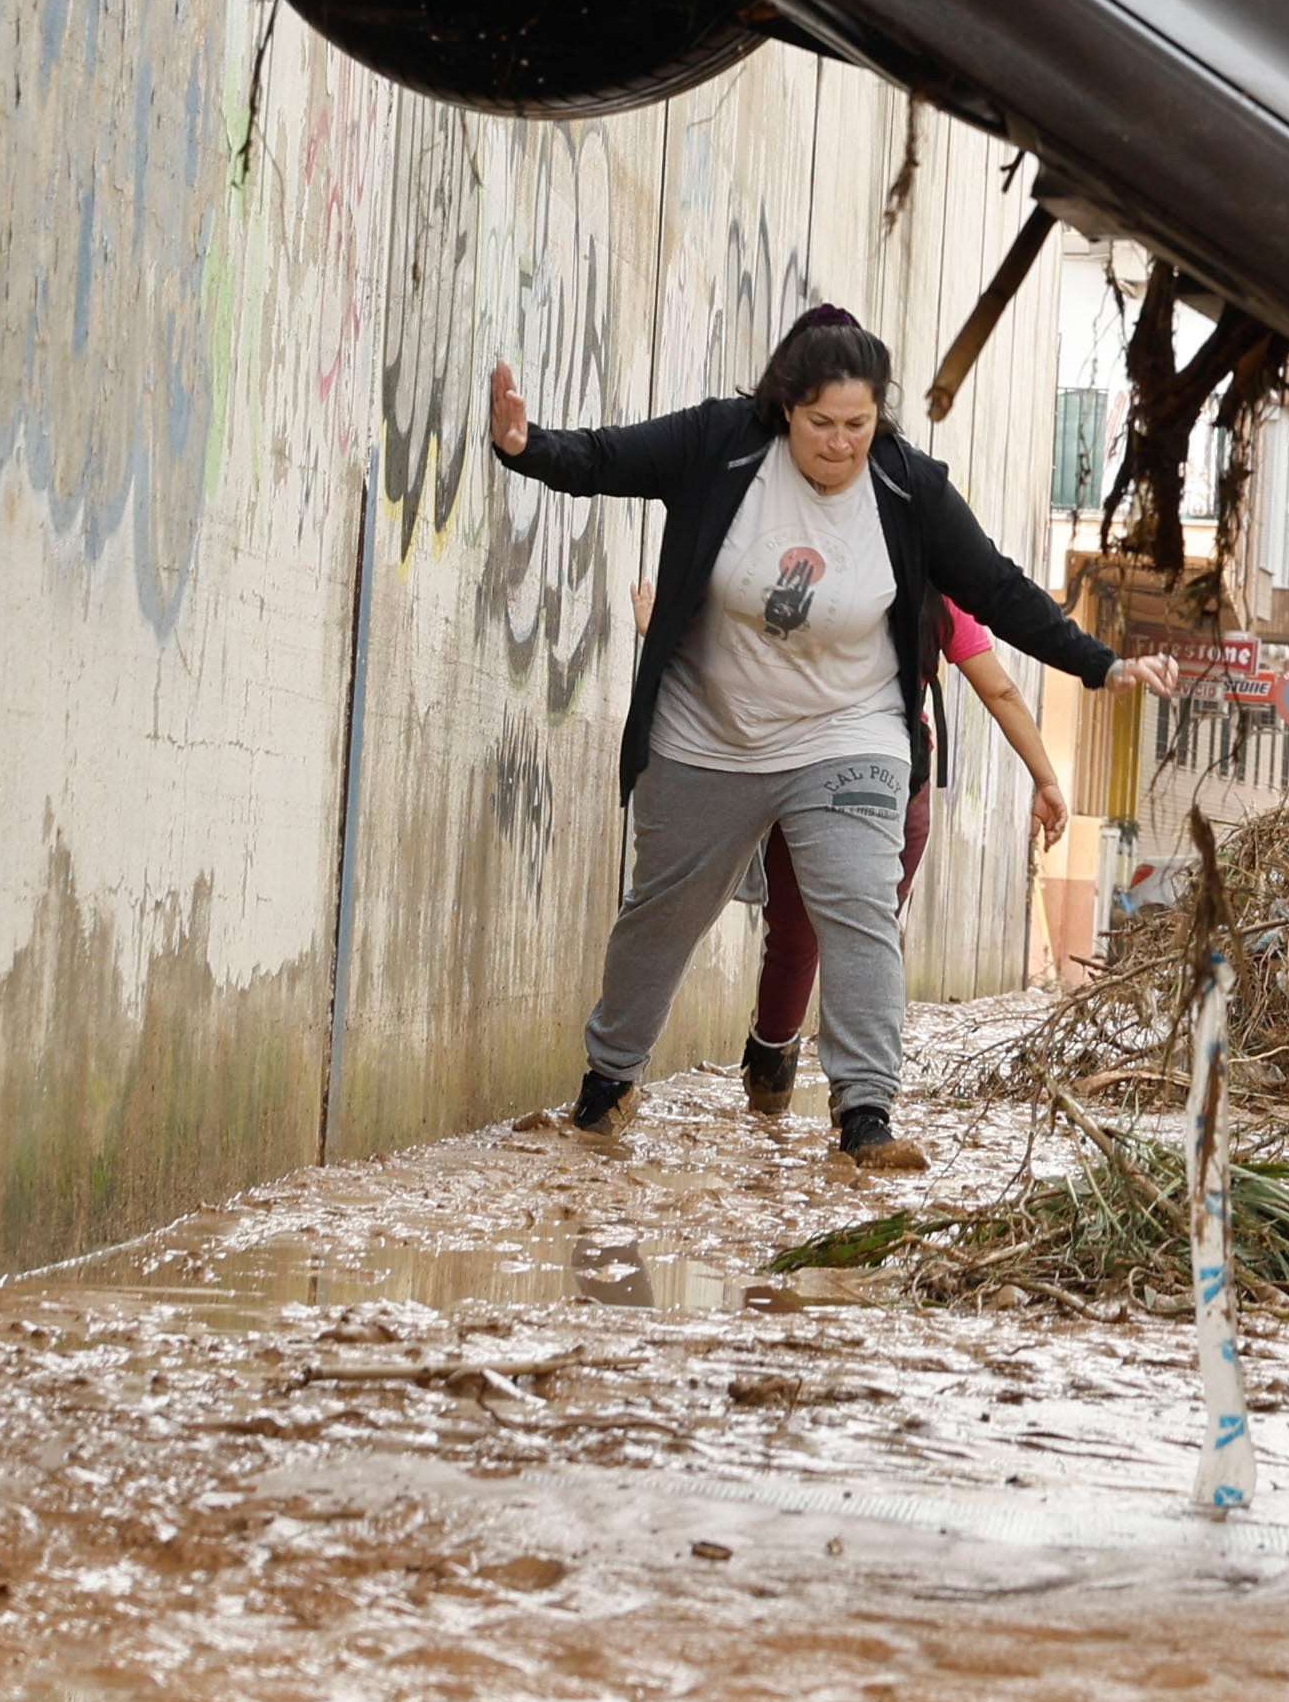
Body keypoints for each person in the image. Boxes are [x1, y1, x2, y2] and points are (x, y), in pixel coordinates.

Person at [488, 306, 1183, 1172]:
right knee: (661, 917)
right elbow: (607, 458)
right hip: (709, 733)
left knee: (859, 907)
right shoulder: (721, 444)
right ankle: (610, 1079)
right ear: (786, 407)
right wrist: (526, 447)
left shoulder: (907, 488)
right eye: (822, 423)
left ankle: (865, 1116)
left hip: (851, 733)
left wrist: (1101, 664)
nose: (840, 443)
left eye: (859, 424)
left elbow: (999, 588)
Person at [736, 615, 1077, 1120]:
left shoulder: (827, 561)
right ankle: (862, 1109)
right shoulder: (937, 580)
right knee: (869, 936)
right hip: (895, 785)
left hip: (808, 768)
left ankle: (767, 1098)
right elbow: (1000, 690)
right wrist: (1045, 779)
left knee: (794, 938)